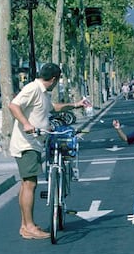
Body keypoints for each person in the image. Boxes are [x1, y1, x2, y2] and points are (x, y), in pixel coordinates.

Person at [9, 63, 87, 239]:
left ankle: (25, 226)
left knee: (26, 184)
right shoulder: (33, 89)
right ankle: (29, 227)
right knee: (30, 184)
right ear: (53, 79)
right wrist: (27, 124)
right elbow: (13, 106)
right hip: (26, 144)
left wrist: (76, 105)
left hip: (34, 143)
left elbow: (54, 108)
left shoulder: (43, 93)